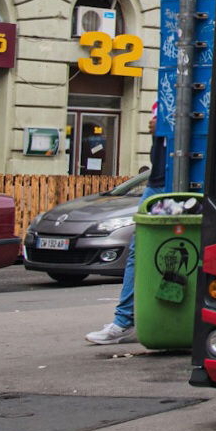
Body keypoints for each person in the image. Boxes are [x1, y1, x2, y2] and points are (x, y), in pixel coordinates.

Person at [86, 127, 166, 346]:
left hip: (171, 180)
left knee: (146, 252)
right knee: (139, 252)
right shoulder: (165, 99)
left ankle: (127, 321)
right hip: (159, 181)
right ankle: (125, 321)